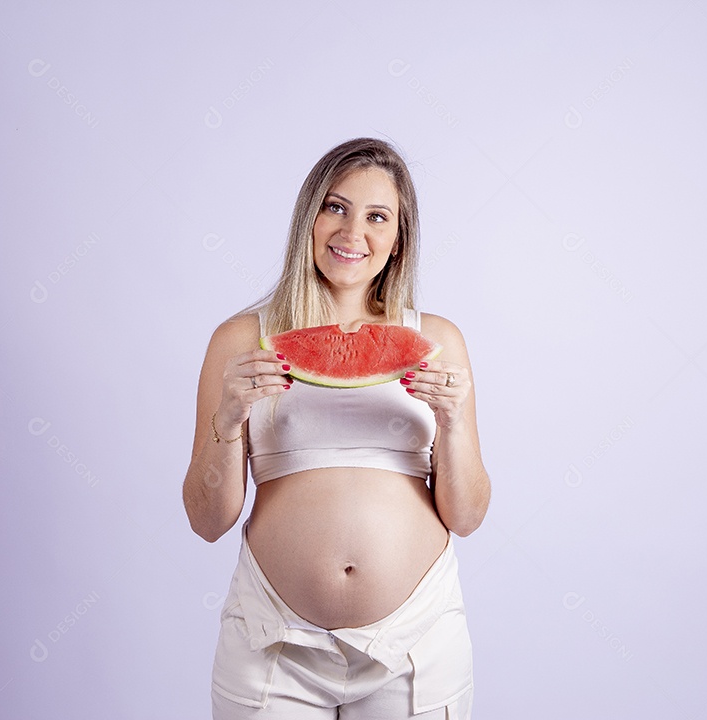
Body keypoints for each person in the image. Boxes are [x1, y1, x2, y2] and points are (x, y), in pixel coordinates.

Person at [183, 138, 490, 719]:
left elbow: (468, 517)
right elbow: (206, 520)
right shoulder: (239, 341)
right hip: (271, 644)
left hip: (416, 645)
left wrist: (451, 424)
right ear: (309, 218)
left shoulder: (438, 340)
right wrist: (227, 421)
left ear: (398, 240)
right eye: (335, 207)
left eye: (378, 217)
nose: (353, 232)